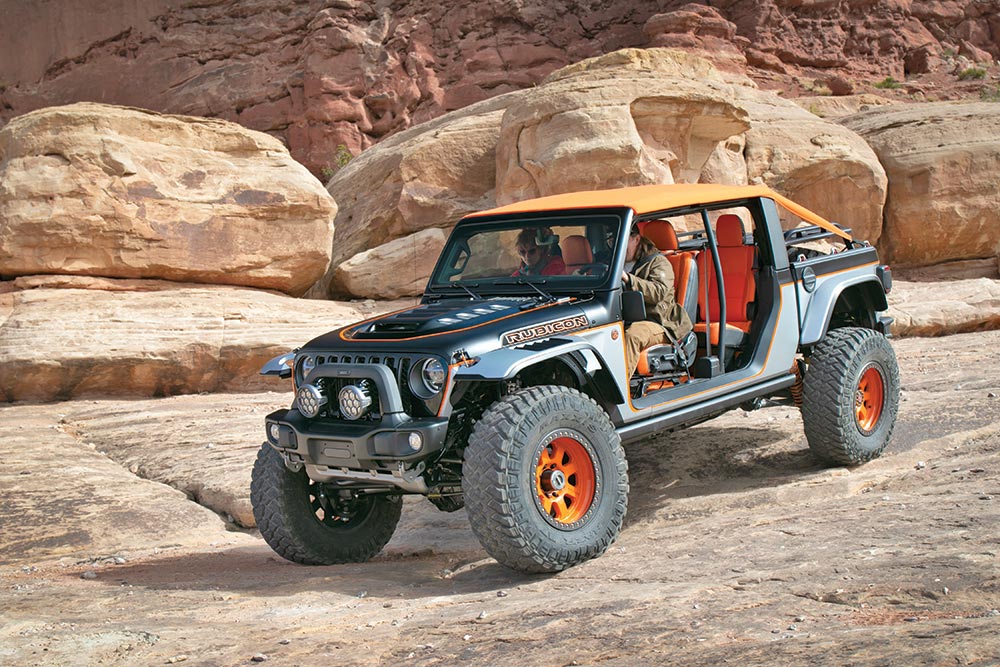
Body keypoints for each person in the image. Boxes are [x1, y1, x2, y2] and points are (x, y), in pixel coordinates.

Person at [622, 225, 693, 377]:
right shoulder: (615, 263)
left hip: (659, 322)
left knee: (633, 335)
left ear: (636, 239)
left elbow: (659, 292)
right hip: (624, 318)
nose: (618, 246)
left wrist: (629, 279)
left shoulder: (658, 262)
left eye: (623, 240)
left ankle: (618, 393)